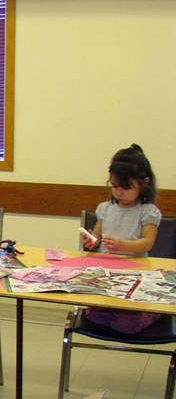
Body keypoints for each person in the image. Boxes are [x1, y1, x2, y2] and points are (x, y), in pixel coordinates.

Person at [81, 143, 162, 334]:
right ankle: (115, 310)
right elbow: (98, 235)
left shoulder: (147, 212)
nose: (118, 192)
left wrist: (124, 244)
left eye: (126, 187)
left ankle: (151, 314)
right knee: (94, 316)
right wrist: (92, 240)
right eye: (115, 186)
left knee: (126, 325)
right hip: (107, 272)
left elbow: (147, 242)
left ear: (145, 183)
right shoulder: (106, 208)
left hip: (135, 273)